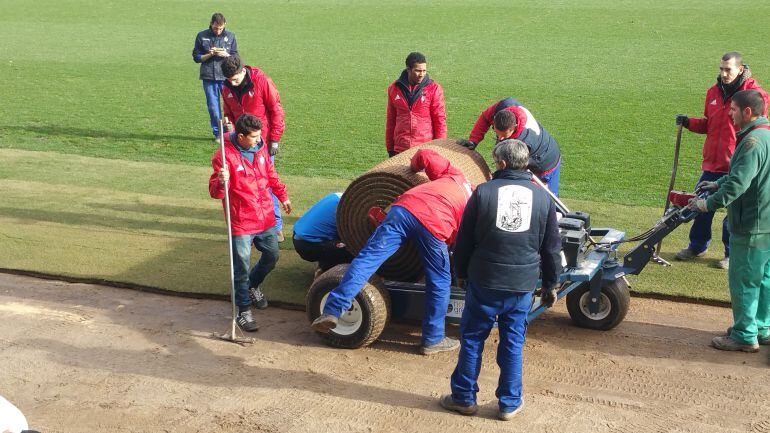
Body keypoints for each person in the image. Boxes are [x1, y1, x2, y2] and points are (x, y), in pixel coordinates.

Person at [440, 139, 562, 420]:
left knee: (471, 339)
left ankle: (463, 398)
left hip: (484, 281)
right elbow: (551, 249)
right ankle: (509, 403)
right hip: (521, 285)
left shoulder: (483, 193)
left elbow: (464, 241)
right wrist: (550, 285)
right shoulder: (542, 198)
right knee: (512, 342)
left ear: (502, 164)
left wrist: (459, 273)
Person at [311, 149, 473, 355]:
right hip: (435, 223)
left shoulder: (456, 176)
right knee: (440, 281)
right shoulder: (473, 204)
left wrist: (413, 169)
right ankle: (433, 339)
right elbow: (460, 245)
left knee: (367, 260)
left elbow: (424, 155)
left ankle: (333, 310)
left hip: (402, 209)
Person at [688, 89, 770, 353]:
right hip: (767, 222)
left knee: (744, 280)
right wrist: (717, 183)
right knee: (765, 279)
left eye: (733, 110)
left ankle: (745, 336)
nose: (730, 114)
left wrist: (706, 203)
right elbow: (746, 175)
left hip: (751, 225)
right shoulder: (765, 135)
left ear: (748, 112)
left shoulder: (750, 143)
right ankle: (761, 326)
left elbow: (738, 183)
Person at [675, 52, 769, 269]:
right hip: (713, 162)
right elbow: (710, 124)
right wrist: (689, 123)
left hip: (738, 163)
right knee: (699, 205)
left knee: (732, 209)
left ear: (741, 68)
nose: (724, 74)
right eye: (721, 69)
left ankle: (730, 253)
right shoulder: (713, 92)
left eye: (728, 69)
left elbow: (757, 127)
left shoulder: (755, 96)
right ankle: (697, 246)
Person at [209, 114, 292, 332]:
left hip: (264, 216)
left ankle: (251, 286)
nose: (258, 139)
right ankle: (243, 310)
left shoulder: (261, 147)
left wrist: (283, 196)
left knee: (272, 255)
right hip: (241, 220)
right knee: (241, 267)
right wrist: (220, 181)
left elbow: (271, 175)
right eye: (254, 136)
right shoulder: (224, 157)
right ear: (242, 136)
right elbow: (215, 193)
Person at [221, 55, 287, 241]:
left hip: (262, 142)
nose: (232, 83)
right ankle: (250, 228)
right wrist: (230, 130)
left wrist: (274, 139)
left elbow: (276, 110)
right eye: (229, 80)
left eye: (235, 79)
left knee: (266, 183)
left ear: (243, 71)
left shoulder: (261, 81)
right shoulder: (226, 88)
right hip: (240, 144)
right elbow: (228, 112)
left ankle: (275, 227)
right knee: (244, 186)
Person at [466, 98, 562, 195]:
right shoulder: (503, 106)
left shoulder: (523, 142)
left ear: (514, 127)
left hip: (546, 162)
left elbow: (512, 172)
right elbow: (485, 118)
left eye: (504, 136)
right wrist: (473, 141)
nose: (500, 139)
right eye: (497, 133)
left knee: (548, 200)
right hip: (533, 150)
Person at [385, 52, 447, 157]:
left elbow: (439, 120)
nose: (422, 74)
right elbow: (391, 120)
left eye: (424, 70)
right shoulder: (394, 89)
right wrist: (390, 148)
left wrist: (439, 148)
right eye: (418, 71)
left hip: (424, 150)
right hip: (400, 149)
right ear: (408, 69)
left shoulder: (434, 89)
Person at [192, 13, 238, 142]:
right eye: (216, 28)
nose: (218, 31)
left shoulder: (230, 36)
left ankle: (232, 132)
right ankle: (218, 134)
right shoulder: (202, 36)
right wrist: (209, 54)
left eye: (221, 28)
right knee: (213, 107)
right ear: (211, 23)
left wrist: (226, 54)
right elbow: (196, 57)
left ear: (225, 25)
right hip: (209, 77)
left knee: (231, 105)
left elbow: (236, 57)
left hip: (226, 77)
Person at [292, 192, 353, 274]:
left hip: (299, 237)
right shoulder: (348, 208)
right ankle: (325, 270)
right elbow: (352, 238)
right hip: (307, 244)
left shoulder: (338, 196)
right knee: (354, 250)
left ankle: (325, 263)